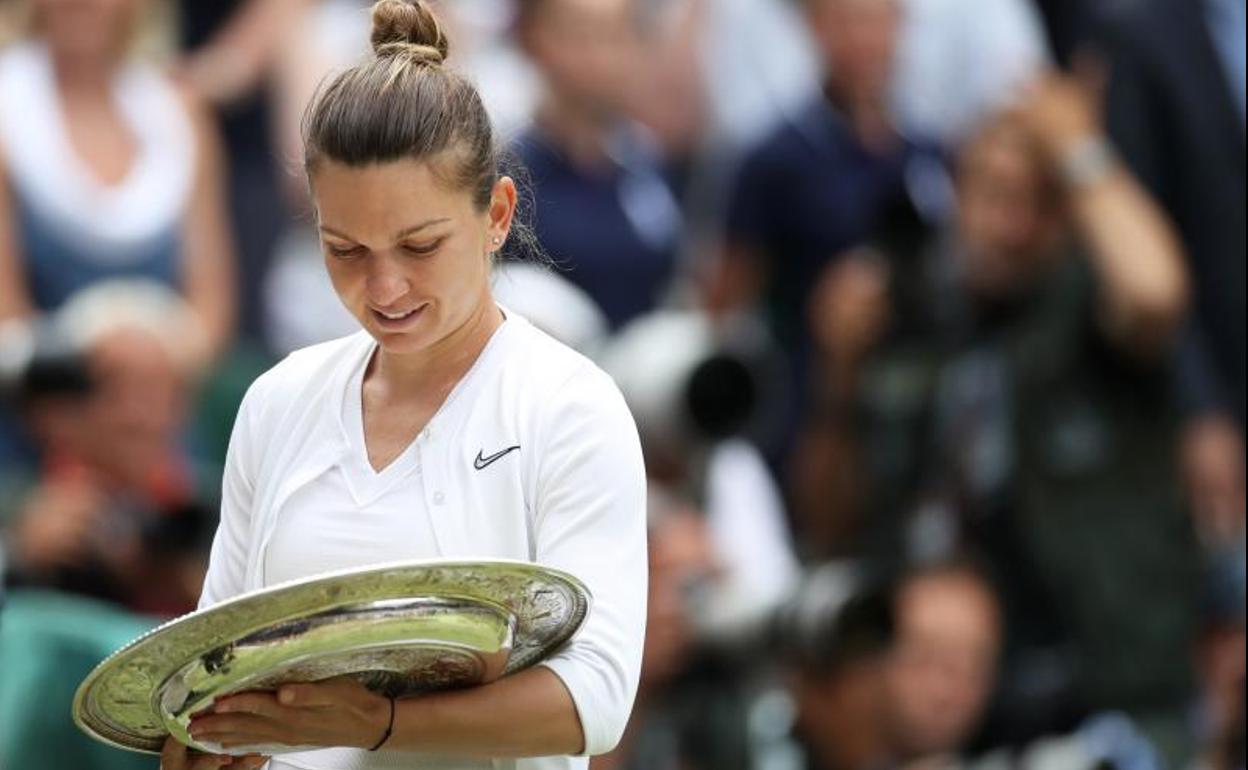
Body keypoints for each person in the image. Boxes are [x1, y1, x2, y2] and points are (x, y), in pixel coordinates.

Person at [160, 2, 648, 768]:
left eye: (419, 245)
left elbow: (595, 699)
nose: (384, 288)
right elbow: (217, 672)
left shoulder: (570, 408)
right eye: (344, 249)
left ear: (496, 215)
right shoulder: (278, 402)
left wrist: (373, 724)